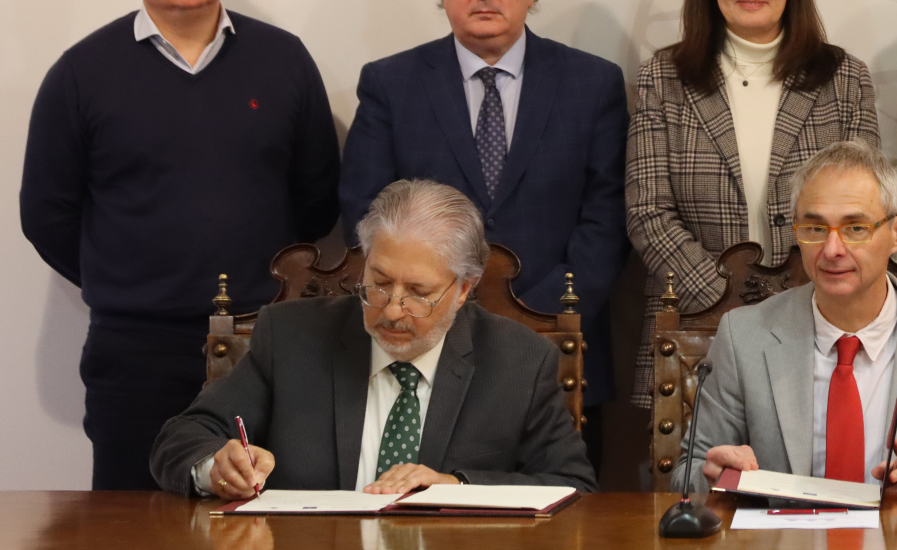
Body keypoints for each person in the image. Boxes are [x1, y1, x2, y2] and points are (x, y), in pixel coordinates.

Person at [20, 0, 340, 490]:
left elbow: (317, 193)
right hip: (136, 345)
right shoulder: (83, 73)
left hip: (263, 340)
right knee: (131, 531)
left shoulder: (282, 59)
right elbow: (47, 213)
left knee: (260, 519)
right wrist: (126, 277)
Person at [339, 0, 627, 467]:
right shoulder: (391, 84)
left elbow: (608, 218)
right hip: (423, 340)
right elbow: (365, 212)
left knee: (560, 530)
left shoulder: (592, 83)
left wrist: (535, 314)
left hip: (560, 342)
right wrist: (438, 306)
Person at [151, 179, 596, 496]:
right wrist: (217, 468)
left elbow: (572, 484)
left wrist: (456, 486)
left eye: (419, 293)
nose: (392, 309)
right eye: (379, 282)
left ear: (463, 290)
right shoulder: (292, 337)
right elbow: (183, 437)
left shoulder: (519, 359)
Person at [627, 0, 880, 408]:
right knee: (698, 485)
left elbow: (864, 213)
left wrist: (793, 304)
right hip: (694, 328)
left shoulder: (844, 78)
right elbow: (647, 214)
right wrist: (732, 302)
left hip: (821, 323)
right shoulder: (664, 77)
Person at [678, 141, 897, 493]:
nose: (832, 250)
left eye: (855, 228)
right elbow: (688, 471)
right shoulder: (744, 336)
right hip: (785, 544)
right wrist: (714, 474)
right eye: (815, 229)